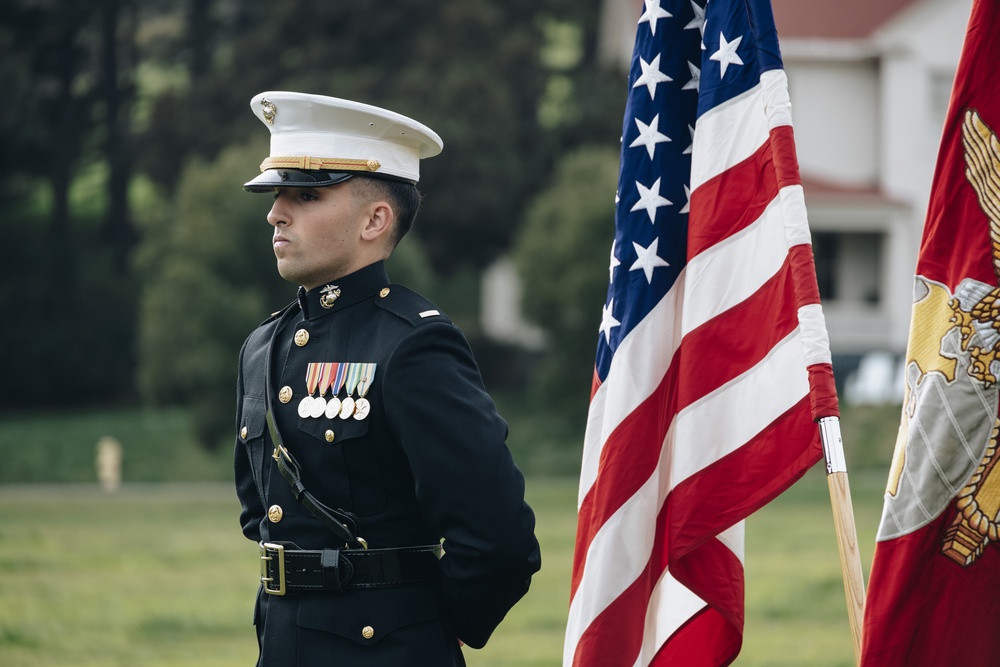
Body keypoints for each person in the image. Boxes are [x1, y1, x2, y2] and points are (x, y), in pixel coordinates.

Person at [233, 90, 541, 666]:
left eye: (306, 195)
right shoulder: (261, 347)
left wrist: (421, 629)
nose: (276, 213)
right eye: (276, 196)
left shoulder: (411, 344)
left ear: (375, 219)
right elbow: (261, 517)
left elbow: (498, 539)